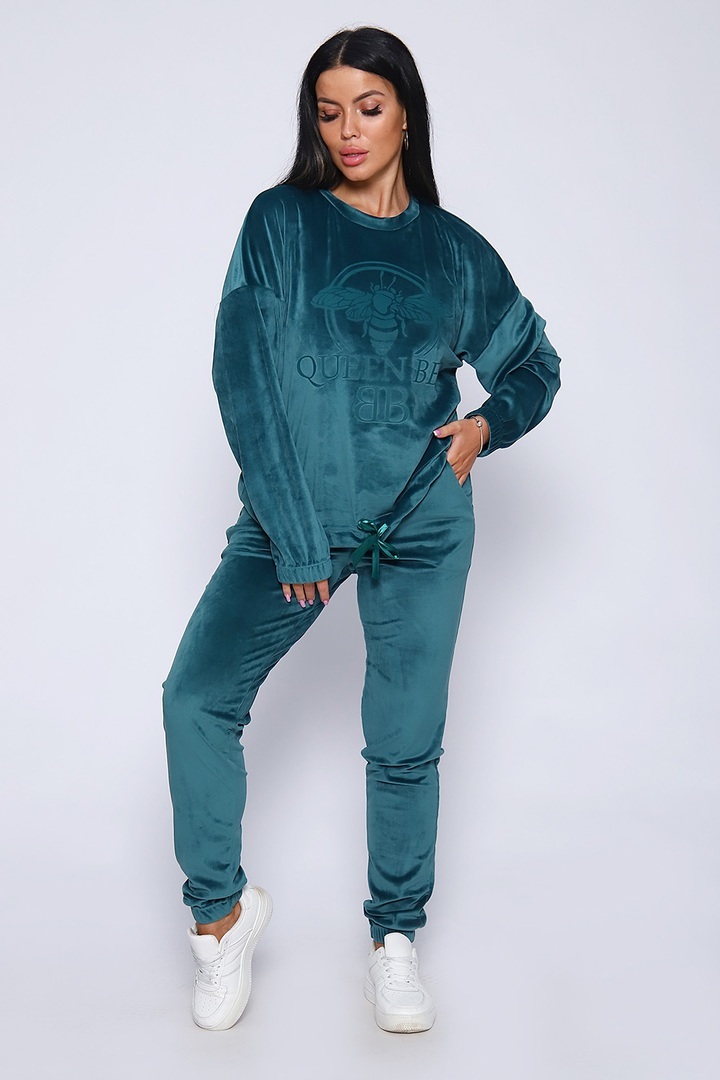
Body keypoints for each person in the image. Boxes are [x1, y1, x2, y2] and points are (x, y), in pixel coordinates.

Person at [162, 25, 561, 1034]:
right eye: (329, 111)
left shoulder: (453, 251)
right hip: (295, 519)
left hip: (424, 522)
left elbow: (534, 363)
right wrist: (296, 532)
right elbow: (243, 378)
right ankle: (220, 919)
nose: (347, 130)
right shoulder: (283, 225)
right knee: (197, 699)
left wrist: (485, 426)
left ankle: (395, 938)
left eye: (368, 109)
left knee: (405, 739)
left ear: (406, 116)